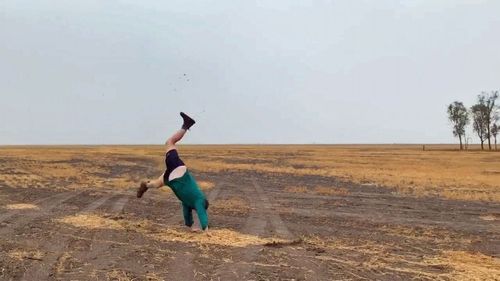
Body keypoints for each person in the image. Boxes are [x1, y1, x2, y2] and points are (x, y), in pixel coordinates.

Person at [136, 112, 209, 232]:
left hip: (178, 171)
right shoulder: (189, 203)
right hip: (173, 179)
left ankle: (186, 125)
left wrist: (205, 229)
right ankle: (147, 185)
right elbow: (191, 214)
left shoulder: (200, 199)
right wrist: (192, 227)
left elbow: (201, 213)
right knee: (157, 184)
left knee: (170, 142)